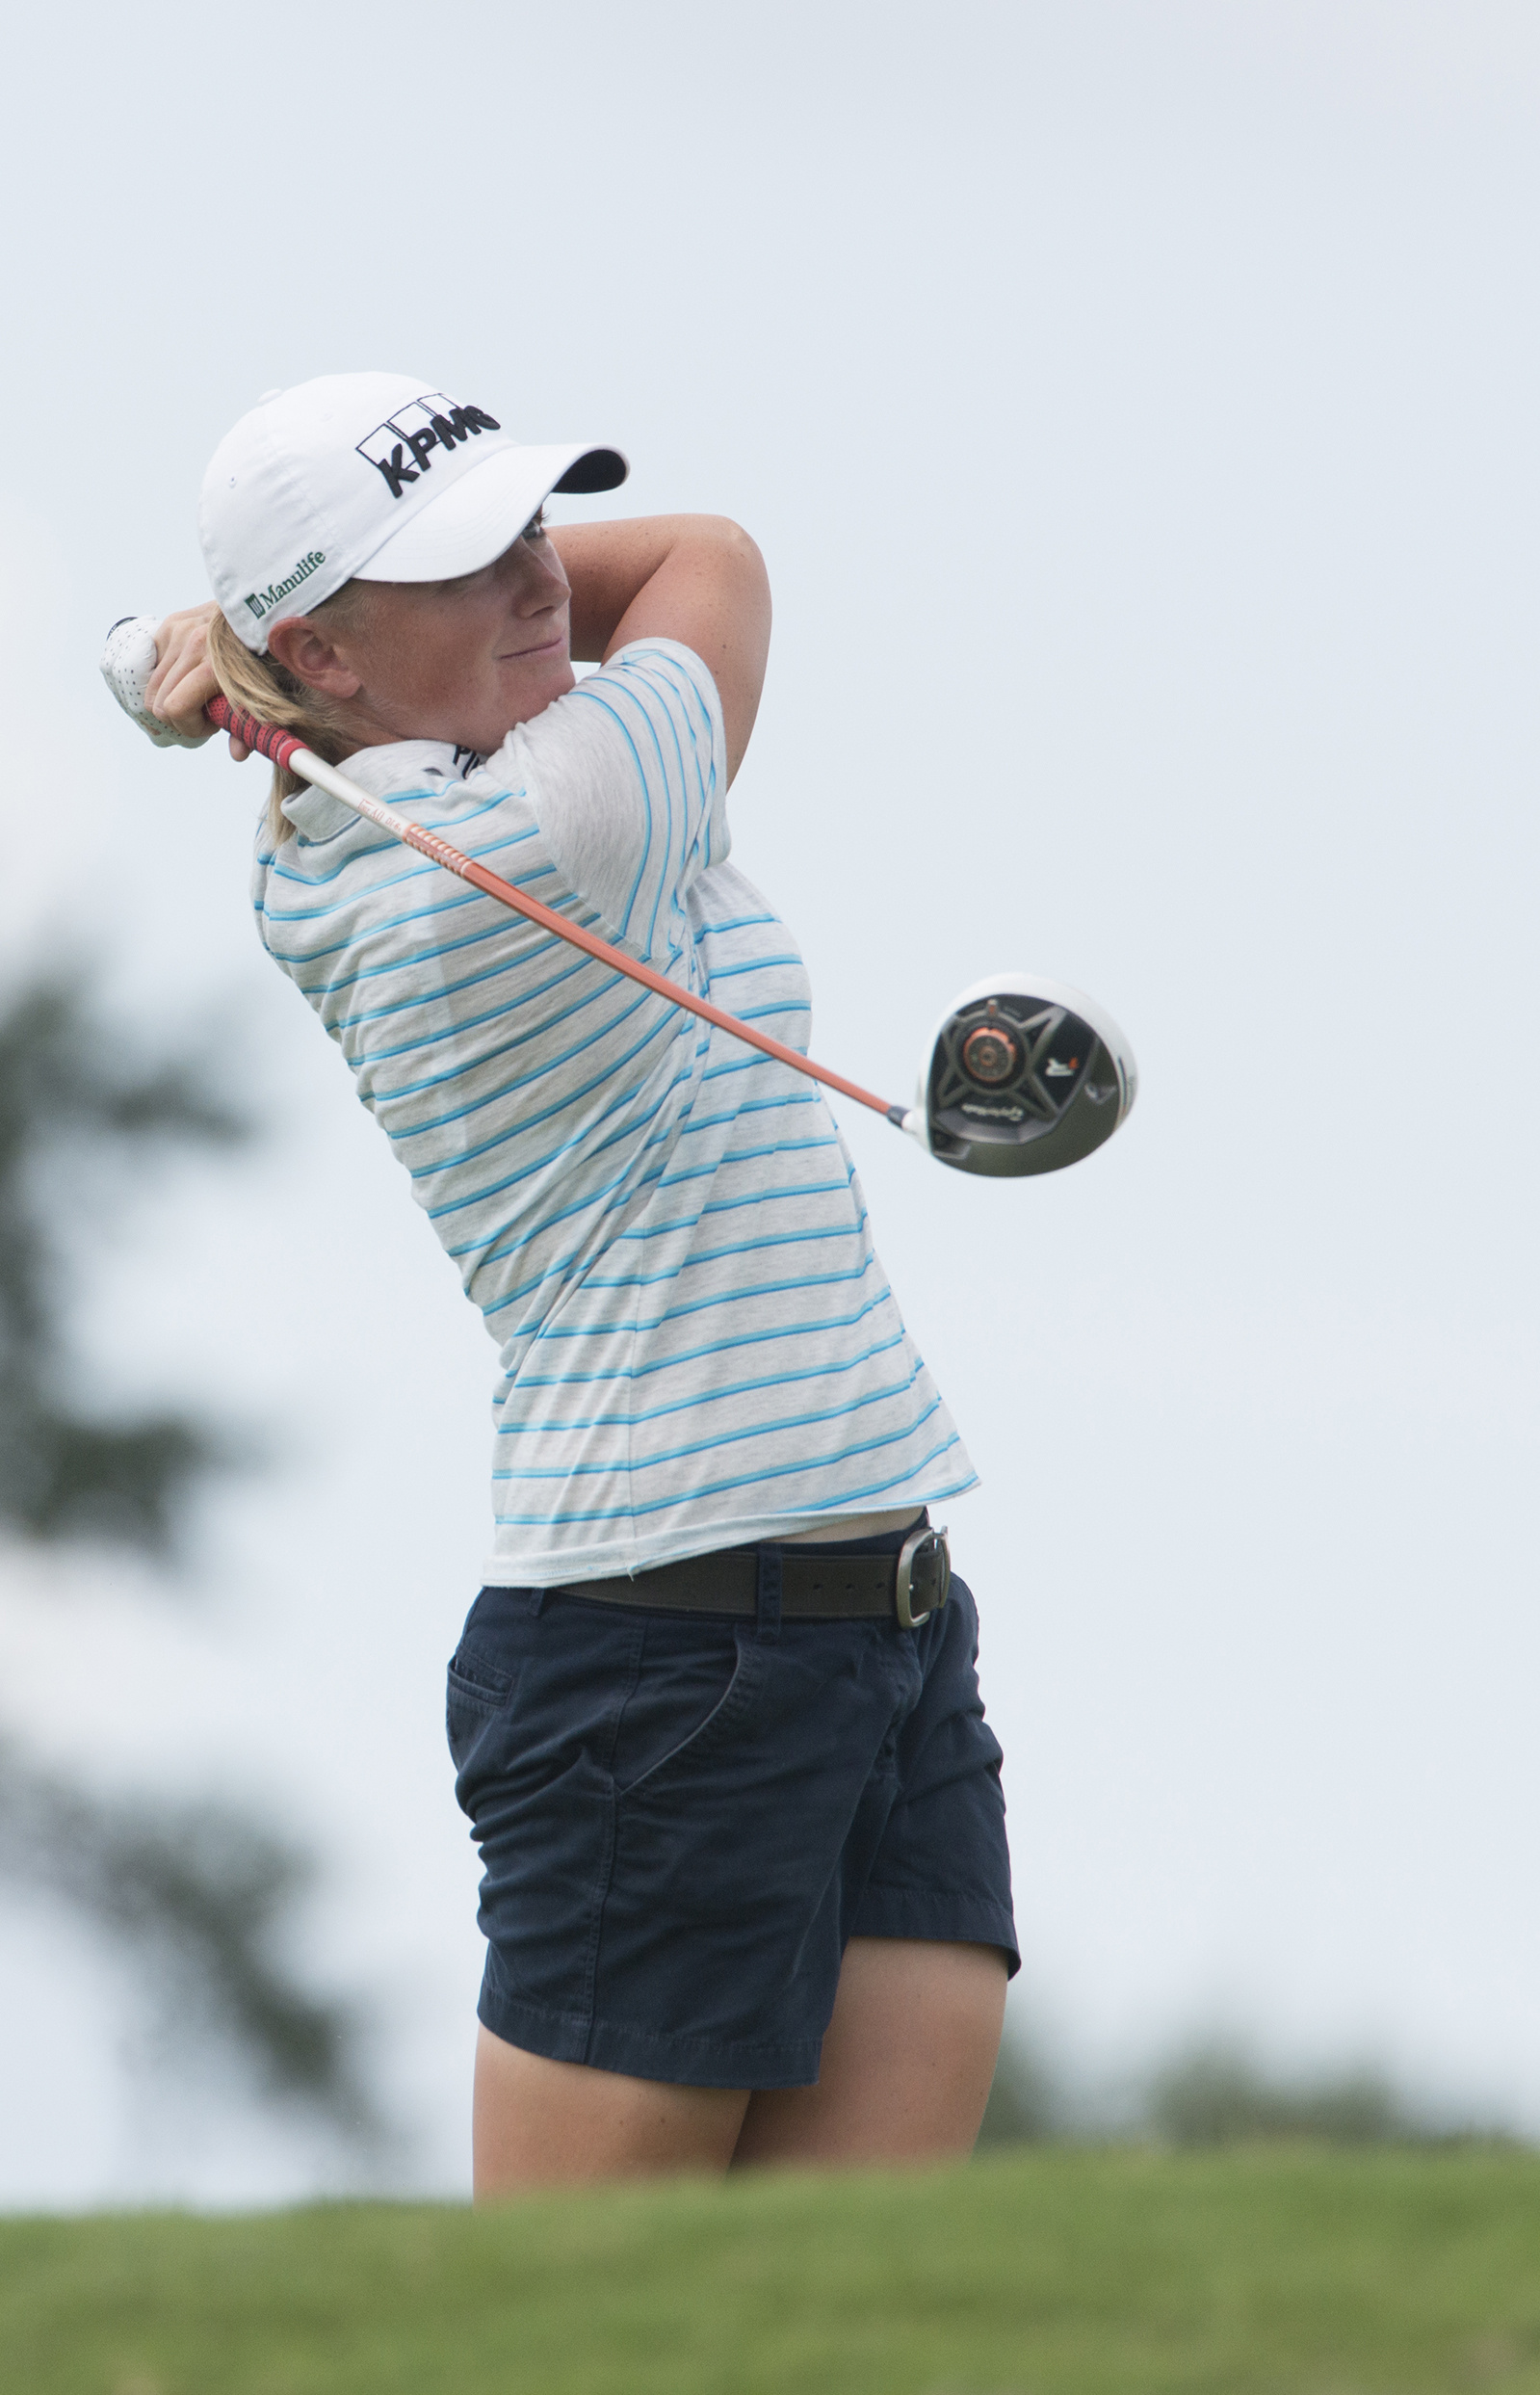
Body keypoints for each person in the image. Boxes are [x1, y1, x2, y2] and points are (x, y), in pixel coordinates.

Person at [147, 374, 1017, 2193]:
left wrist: (231, 650)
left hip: (883, 1619)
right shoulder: (546, 833)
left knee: (852, 2315)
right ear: (323, 650)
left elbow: (477, 626)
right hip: (668, 1665)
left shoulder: (351, 801)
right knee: (573, 2325)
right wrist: (214, 646)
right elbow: (715, 558)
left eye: (534, 525)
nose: (544, 578)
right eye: (466, 561)